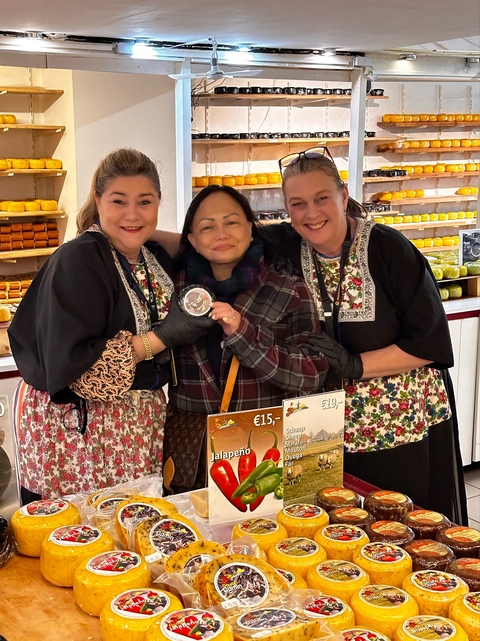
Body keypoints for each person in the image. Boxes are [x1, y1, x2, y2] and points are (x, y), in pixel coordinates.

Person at [264, 146, 467, 524]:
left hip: (393, 423)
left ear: (343, 196)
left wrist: (355, 366)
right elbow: (213, 236)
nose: (311, 213)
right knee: (324, 528)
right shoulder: (284, 245)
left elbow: (429, 343)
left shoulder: (391, 250)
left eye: (322, 198)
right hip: (318, 426)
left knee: (395, 530)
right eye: (297, 204)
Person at [8, 148, 211, 502]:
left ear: (159, 203)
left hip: (131, 425)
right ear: (99, 200)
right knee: (88, 536)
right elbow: (80, 372)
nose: (132, 214)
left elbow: (193, 245)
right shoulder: (79, 260)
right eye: (119, 201)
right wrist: (160, 339)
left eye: (145, 202)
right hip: (77, 431)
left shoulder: (151, 256)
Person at [164, 184, 328, 491]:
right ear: (193, 241)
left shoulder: (288, 290)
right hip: (190, 454)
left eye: (231, 222)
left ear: (251, 230)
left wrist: (244, 333)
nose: (221, 233)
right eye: (207, 227)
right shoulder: (173, 292)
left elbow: (312, 373)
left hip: (264, 452)